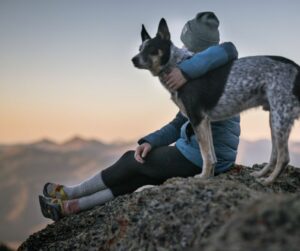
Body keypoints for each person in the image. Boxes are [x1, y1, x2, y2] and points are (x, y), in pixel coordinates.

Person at [39, 12, 240, 221]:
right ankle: (71, 207)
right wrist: (151, 141)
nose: (182, 49)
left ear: (198, 47)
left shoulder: (216, 70)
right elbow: (179, 121)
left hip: (204, 158)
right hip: (194, 151)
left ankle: (72, 193)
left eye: (186, 45)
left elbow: (228, 50)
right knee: (138, 174)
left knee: (131, 162)